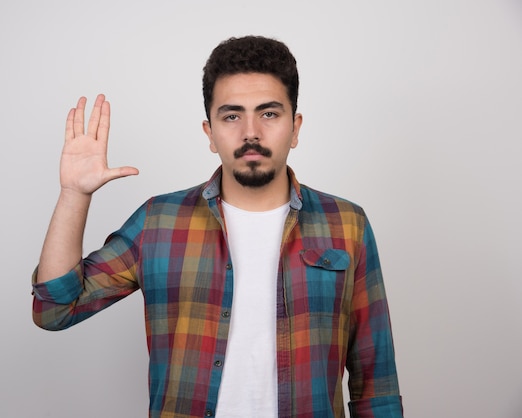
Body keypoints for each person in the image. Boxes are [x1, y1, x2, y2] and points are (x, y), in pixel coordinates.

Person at [32, 35, 403, 418]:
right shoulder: (159, 222)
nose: (251, 132)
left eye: (270, 114)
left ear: (295, 127)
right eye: (231, 116)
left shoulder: (346, 224)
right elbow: (55, 309)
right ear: (210, 133)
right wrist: (74, 194)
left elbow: (376, 386)